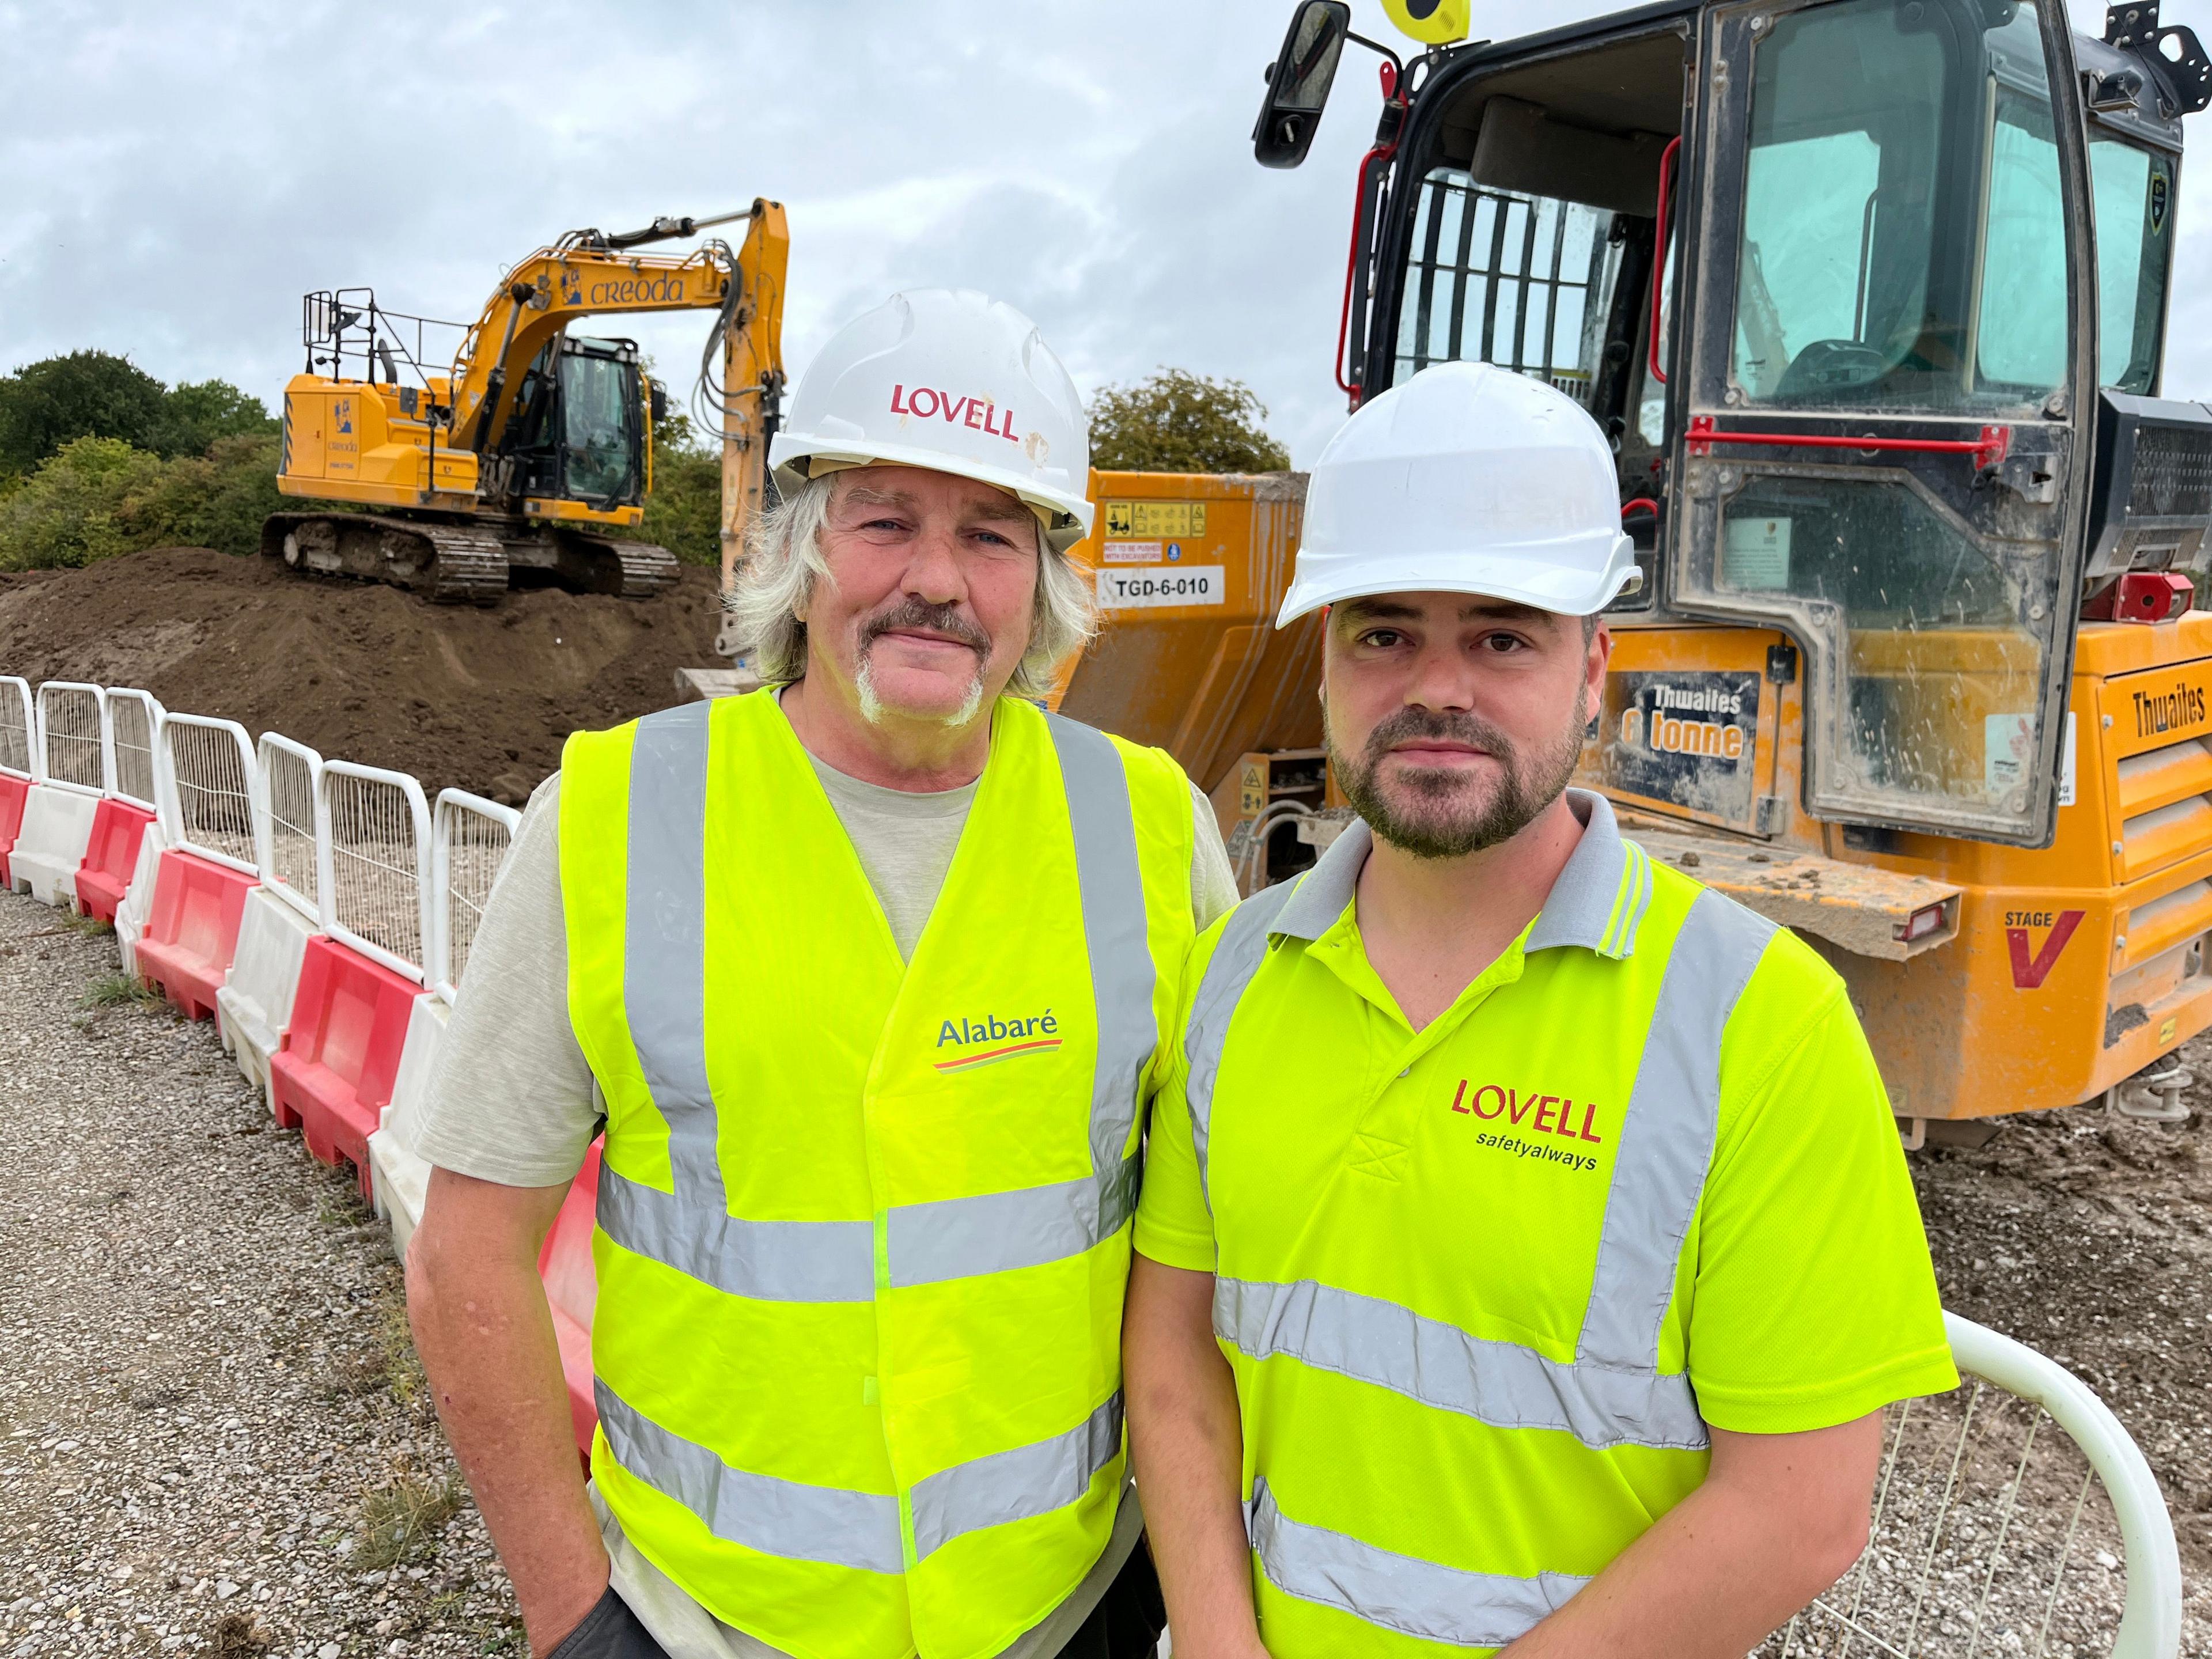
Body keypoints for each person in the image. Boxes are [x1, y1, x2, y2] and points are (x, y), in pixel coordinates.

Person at [406, 289, 1239, 1659]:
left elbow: (1213, 1242)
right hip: (716, 1624)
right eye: (886, 520)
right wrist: (572, 1622)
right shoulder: (615, 819)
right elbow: (467, 1263)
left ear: (1044, 581)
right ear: (799, 548)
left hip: (1070, 1610)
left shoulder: (1151, 827)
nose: (938, 580)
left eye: (991, 534)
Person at [1124, 361, 1958, 1658]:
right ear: (1329, 663)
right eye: (1384, 631)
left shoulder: (1755, 1022)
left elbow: (1800, 1511)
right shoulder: (1231, 971)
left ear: (1594, 668)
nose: (1437, 685)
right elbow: (1175, 1362)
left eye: (1503, 634)